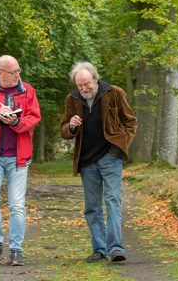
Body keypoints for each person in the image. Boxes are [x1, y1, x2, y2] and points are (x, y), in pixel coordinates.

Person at [60, 62, 137, 263]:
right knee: (92, 207)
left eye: (87, 84)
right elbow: (64, 130)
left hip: (110, 157)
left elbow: (130, 121)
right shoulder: (72, 99)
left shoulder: (114, 93)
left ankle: (116, 249)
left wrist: (120, 147)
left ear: (95, 79)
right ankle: (99, 249)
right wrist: (72, 126)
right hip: (86, 160)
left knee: (112, 200)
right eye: (80, 85)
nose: (84, 89)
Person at [0, 55, 41, 266]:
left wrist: (16, 121)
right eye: (14, 72)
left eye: (18, 71)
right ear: (1, 72)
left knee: (17, 204)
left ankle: (16, 249)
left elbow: (34, 117)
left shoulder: (28, 90)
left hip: (19, 156)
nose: (18, 75)